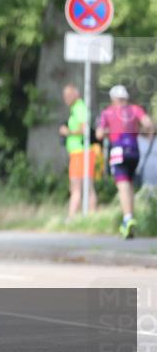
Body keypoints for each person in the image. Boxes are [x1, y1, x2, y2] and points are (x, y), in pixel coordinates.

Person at [96, 84, 155, 238]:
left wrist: (109, 131)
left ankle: (127, 218)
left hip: (118, 151)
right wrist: (142, 133)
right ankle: (129, 218)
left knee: (122, 185)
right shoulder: (135, 109)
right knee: (129, 184)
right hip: (134, 151)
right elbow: (148, 124)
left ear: (113, 99)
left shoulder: (108, 112)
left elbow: (99, 134)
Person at [59, 84, 96, 217]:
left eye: (69, 95)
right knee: (80, 186)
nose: (66, 98)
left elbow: (84, 129)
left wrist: (67, 132)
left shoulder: (79, 107)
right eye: (65, 96)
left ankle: (73, 218)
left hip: (81, 153)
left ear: (76, 94)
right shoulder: (75, 108)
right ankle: (84, 217)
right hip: (77, 153)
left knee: (79, 187)